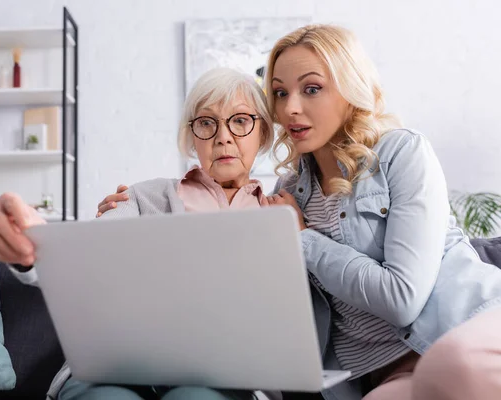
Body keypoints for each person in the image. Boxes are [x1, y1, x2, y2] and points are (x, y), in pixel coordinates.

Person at [97, 24, 501, 400]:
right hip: (385, 372)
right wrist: (125, 219)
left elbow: (402, 300)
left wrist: (303, 238)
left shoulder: (401, 153)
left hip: (464, 327)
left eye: (311, 89)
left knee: (453, 369)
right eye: (279, 92)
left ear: (349, 88)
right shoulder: (286, 194)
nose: (290, 108)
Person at [0, 67, 289, 400]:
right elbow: (82, 255)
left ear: (264, 133)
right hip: (116, 366)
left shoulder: (280, 216)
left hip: (220, 374)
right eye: (207, 122)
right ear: (192, 136)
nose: (223, 137)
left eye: (240, 121)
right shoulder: (142, 197)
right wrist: (30, 247)